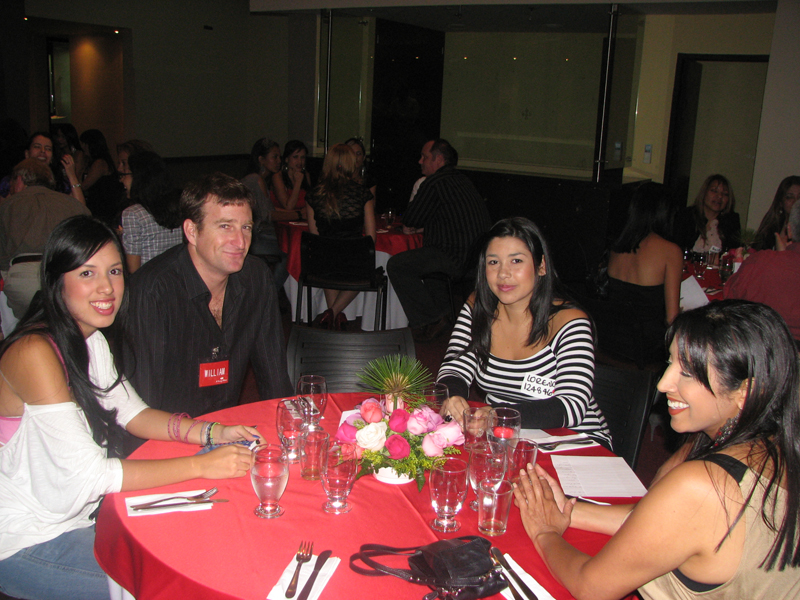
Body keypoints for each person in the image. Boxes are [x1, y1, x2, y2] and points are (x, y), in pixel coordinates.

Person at [0, 215, 257, 600]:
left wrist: (212, 432)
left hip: (81, 517)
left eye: (115, 271)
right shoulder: (34, 352)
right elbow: (90, 476)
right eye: (87, 273)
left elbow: (134, 414)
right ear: (56, 281)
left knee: (204, 539)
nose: (107, 287)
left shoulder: (90, 339)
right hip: (27, 540)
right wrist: (202, 465)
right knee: (174, 585)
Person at [513, 300, 800, 599]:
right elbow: (660, 523)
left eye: (687, 372)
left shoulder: (704, 484)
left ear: (746, 392)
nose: (662, 384)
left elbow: (591, 587)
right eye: (670, 362)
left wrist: (545, 532)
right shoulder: (774, 445)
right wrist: (565, 510)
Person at [122, 172, 293, 425]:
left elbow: (274, 377)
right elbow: (142, 405)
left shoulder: (256, 278)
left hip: (226, 431)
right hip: (169, 434)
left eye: (245, 227)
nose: (240, 242)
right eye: (225, 226)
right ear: (192, 231)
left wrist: (290, 432)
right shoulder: (152, 292)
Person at [438, 217, 611, 445]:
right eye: (493, 262)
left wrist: (499, 415)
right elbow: (455, 366)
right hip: (506, 437)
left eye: (516, 261)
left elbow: (571, 405)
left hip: (575, 440)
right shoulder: (479, 308)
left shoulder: (570, 322)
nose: (503, 273)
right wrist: (454, 396)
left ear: (541, 266)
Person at [386, 139, 491, 342]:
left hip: (455, 257)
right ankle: (442, 316)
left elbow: (411, 219)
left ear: (439, 159)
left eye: (424, 157)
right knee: (430, 261)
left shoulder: (434, 182)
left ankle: (432, 319)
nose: (420, 161)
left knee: (398, 265)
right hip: (476, 255)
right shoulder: (463, 180)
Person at [591, 182, 683, 364]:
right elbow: (671, 319)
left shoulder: (617, 247)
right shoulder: (670, 251)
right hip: (645, 348)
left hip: (609, 342)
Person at [0, 159, 90, 320]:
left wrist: (10, 278)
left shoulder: (7, 206)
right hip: (65, 276)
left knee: (28, 326)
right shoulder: (73, 205)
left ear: (19, 179)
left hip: (24, 280)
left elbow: (2, 257)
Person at [306, 143, 377, 330]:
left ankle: (332, 314)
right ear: (351, 164)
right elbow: (371, 238)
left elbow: (315, 237)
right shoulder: (362, 194)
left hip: (323, 264)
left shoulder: (313, 195)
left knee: (327, 256)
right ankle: (334, 312)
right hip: (354, 265)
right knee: (364, 267)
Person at [724, 201, 800, 343]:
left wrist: (782, 256)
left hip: (763, 349)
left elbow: (730, 303)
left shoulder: (761, 262)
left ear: (789, 230)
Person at [120, 151, 182, 272]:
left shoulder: (133, 214)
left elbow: (133, 269)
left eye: (125, 175)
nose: (122, 180)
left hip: (149, 281)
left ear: (138, 178)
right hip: (177, 277)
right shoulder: (178, 206)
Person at [0, 132, 84, 204]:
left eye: (48, 148)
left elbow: (80, 207)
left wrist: (72, 175)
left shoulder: (60, 183)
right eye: (37, 147)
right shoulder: (10, 180)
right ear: (27, 154)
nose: (43, 151)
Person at [674, 174, 741, 253]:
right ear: (704, 193)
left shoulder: (731, 222)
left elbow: (734, 252)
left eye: (725, 194)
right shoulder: (686, 216)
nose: (720, 196)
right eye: (714, 191)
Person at [79, 129, 124, 228]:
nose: (82, 147)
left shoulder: (100, 163)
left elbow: (84, 186)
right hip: (100, 206)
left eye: (84, 144)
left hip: (103, 206)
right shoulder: (95, 162)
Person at [753, 175, 800, 251]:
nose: (795, 201)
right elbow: (757, 251)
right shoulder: (771, 227)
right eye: (789, 197)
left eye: (799, 197)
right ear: (781, 202)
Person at [271, 140, 311, 211]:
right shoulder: (278, 177)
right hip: (284, 217)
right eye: (295, 157)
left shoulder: (306, 175)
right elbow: (288, 207)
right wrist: (298, 183)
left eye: (302, 157)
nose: (300, 162)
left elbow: (310, 203)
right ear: (287, 159)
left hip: (302, 217)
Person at [345, 137, 377, 201]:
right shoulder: (338, 178)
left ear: (364, 157)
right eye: (352, 153)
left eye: (358, 154)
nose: (355, 157)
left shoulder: (369, 181)